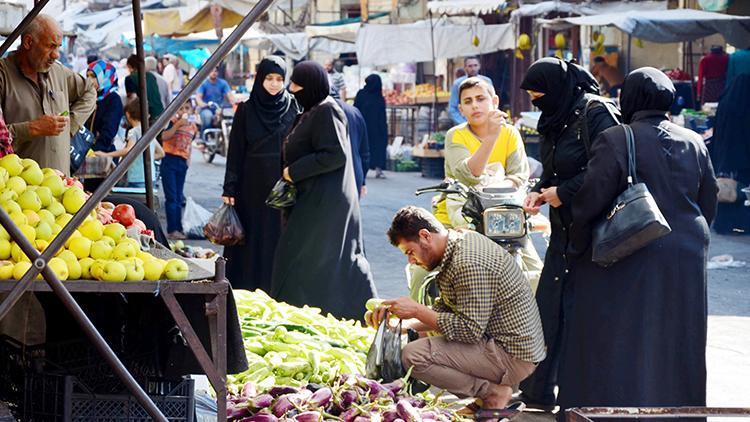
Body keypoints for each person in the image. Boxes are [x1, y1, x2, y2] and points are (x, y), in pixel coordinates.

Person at [558, 67, 719, 416]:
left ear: (628, 98)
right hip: (686, 255)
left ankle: (612, 410)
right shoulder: (693, 140)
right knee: (678, 339)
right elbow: (709, 199)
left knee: (618, 336)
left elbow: (590, 199)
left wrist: (578, 247)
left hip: (630, 249)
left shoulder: (617, 137)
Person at [369, 206, 545, 415]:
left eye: (410, 252)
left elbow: (468, 331)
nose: (411, 260)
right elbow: (447, 312)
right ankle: (484, 397)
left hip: (513, 355)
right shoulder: (457, 243)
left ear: (425, 236)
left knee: (413, 355)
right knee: (422, 337)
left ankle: (492, 393)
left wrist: (416, 310)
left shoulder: (467, 263)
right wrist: (402, 321)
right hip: (500, 342)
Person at [518, 57, 619, 410]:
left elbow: (608, 168)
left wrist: (563, 192)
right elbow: (554, 165)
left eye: (539, 94)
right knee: (549, 307)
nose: (536, 101)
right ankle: (537, 391)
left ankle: (579, 396)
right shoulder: (556, 116)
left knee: (579, 314)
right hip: (563, 231)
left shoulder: (595, 113)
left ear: (559, 89)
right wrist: (541, 188)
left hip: (593, 230)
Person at [270, 61, 376, 321]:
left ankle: (339, 314)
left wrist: (292, 172)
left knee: (317, 260)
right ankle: (307, 314)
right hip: (315, 201)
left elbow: (335, 154)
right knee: (310, 260)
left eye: (297, 84)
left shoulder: (328, 111)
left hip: (324, 205)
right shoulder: (314, 109)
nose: (291, 89)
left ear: (312, 85)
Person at [439, 77, 543, 291]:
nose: (475, 105)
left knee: (537, 275)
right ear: (461, 109)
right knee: (431, 273)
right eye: (468, 102)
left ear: (494, 101)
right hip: (462, 215)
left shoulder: (510, 133)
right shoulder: (455, 136)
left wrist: (495, 187)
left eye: (480, 98)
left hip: (503, 216)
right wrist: (492, 137)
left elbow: (518, 175)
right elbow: (469, 174)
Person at [221, 56, 300, 292]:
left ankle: (275, 287)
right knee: (251, 237)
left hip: (282, 184)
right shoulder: (246, 109)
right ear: (260, 79)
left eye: (279, 79)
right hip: (250, 186)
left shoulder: (293, 107)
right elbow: (235, 149)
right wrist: (229, 187)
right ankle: (245, 287)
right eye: (269, 78)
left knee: (277, 236)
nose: (274, 84)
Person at [0, 14, 96, 174]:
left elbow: (89, 91)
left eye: (58, 47)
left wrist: (70, 126)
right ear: (28, 42)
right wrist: (32, 128)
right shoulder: (3, 75)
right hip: (18, 191)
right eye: (51, 46)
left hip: (61, 186)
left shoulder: (58, 72)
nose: (56, 54)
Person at [710, 73, 750, 234]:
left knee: (727, 189)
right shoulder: (746, 105)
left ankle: (724, 223)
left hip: (726, 156)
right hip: (743, 158)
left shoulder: (727, 103)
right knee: (743, 192)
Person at [96, 99, 164, 188]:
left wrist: (106, 154)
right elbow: (161, 153)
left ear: (128, 114)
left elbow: (129, 150)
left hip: (136, 177)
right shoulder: (148, 131)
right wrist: (144, 158)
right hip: (151, 177)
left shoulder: (133, 132)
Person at [159, 101, 198, 240]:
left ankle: (178, 228)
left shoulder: (192, 126)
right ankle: (173, 229)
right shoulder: (172, 121)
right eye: (180, 108)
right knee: (172, 197)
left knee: (178, 197)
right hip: (169, 159)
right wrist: (177, 125)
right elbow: (164, 136)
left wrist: (188, 160)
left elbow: (190, 144)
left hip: (182, 162)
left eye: (186, 108)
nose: (183, 111)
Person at [86, 60, 123, 154]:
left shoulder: (113, 100)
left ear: (105, 78)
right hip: (82, 152)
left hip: (102, 154)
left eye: (94, 76)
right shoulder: (88, 97)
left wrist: (93, 152)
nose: (89, 80)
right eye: (87, 76)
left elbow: (108, 131)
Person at [354, 74, 387, 179]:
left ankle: (361, 169)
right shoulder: (379, 97)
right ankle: (378, 169)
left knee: (363, 148)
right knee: (378, 148)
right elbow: (382, 115)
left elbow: (355, 109)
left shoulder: (361, 94)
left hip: (363, 126)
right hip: (377, 128)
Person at [337, 99, 370, 197]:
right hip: (354, 176)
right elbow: (364, 153)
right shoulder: (355, 112)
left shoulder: (317, 111)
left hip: (328, 182)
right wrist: (362, 180)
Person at [448, 57, 493, 125]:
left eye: (475, 65)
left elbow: (491, 102)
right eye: (470, 66)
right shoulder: (458, 84)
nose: (473, 69)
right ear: (465, 67)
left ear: (479, 66)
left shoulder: (486, 81)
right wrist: (464, 123)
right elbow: (452, 108)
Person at [125, 54, 164, 124]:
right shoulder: (151, 76)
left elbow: (133, 99)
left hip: (146, 116)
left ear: (130, 66)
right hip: (160, 113)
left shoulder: (130, 78)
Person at [196, 67, 234, 138]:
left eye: (215, 71)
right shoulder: (203, 84)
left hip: (219, 109)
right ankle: (204, 139)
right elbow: (198, 97)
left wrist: (233, 102)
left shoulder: (223, 83)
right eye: (211, 71)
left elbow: (230, 96)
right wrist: (203, 104)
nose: (214, 73)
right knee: (208, 116)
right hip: (206, 108)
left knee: (231, 118)